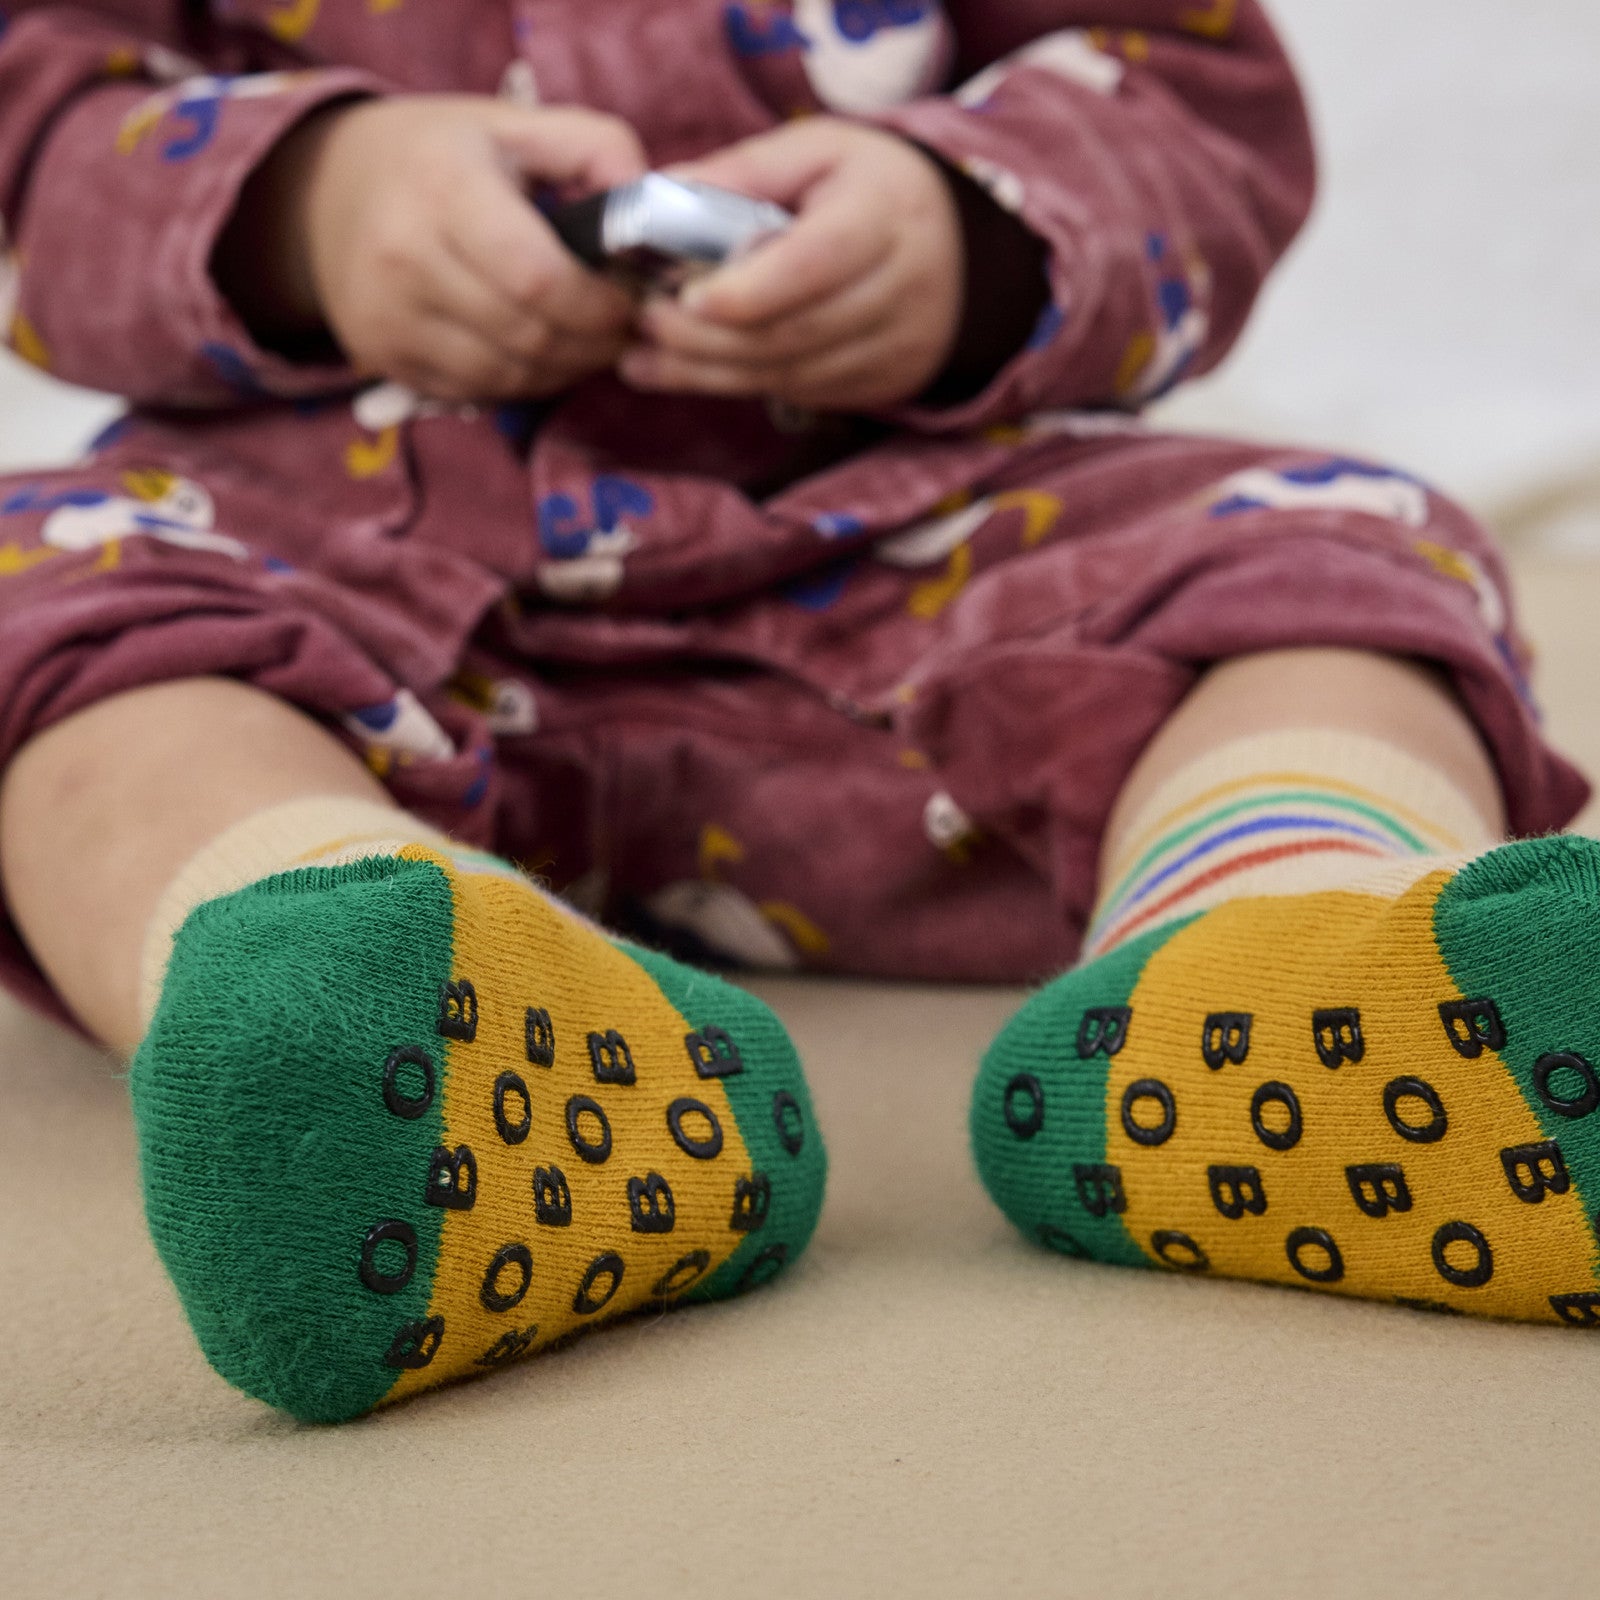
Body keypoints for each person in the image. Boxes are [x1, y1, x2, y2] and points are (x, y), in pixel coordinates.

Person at [1, 0, 1593, 1423]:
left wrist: (958, 227)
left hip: (903, 557)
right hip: (312, 549)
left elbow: (1191, 101)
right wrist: (314, 201)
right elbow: (38, 115)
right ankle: (347, 964)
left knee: (1338, 541)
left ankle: (1270, 955)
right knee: (57, 613)